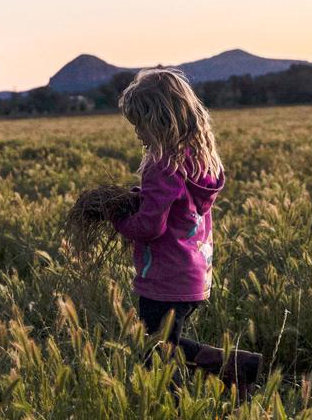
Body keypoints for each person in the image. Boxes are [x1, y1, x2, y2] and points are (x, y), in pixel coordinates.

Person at [112, 68, 262, 392]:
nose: (137, 133)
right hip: (193, 274)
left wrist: (119, 220)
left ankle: (187, 395)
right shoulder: (199, 159)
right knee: (166, 343)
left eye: (140, 124)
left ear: (160, 121)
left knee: (158, 350)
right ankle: (238, 368)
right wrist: (143, 198)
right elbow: (178, 207)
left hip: (163, 278)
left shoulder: (161, 165)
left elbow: (151, 226)